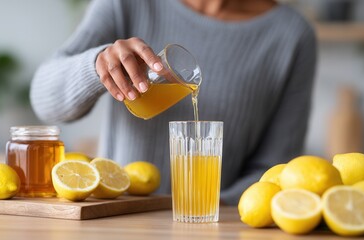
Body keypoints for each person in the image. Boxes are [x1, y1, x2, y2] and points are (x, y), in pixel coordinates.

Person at [30, 0, 316, 205]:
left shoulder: (291, 34)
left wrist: (198, 211)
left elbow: (274, 169)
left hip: (215, 226)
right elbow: (44, 101)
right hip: (116, 222)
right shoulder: (126, 5)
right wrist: (97, 66)